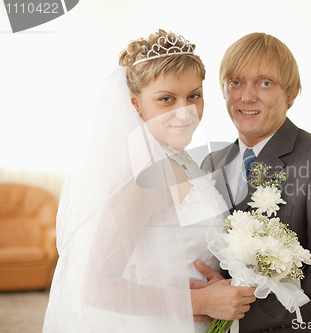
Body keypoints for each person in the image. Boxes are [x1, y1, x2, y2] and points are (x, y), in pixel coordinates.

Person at [42, 29, 255, 333]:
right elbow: (95, 287)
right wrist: (202, 303)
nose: (185, 113)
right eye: (166, 99)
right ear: (135, 104)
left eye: (194, 95)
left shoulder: (176, 157)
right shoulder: (138, 176)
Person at [199, 33, 311, 332]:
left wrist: (236, 309)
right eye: (235, 82)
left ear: (291, 93)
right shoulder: (212, 163)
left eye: (265, 83)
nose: (246, 97)